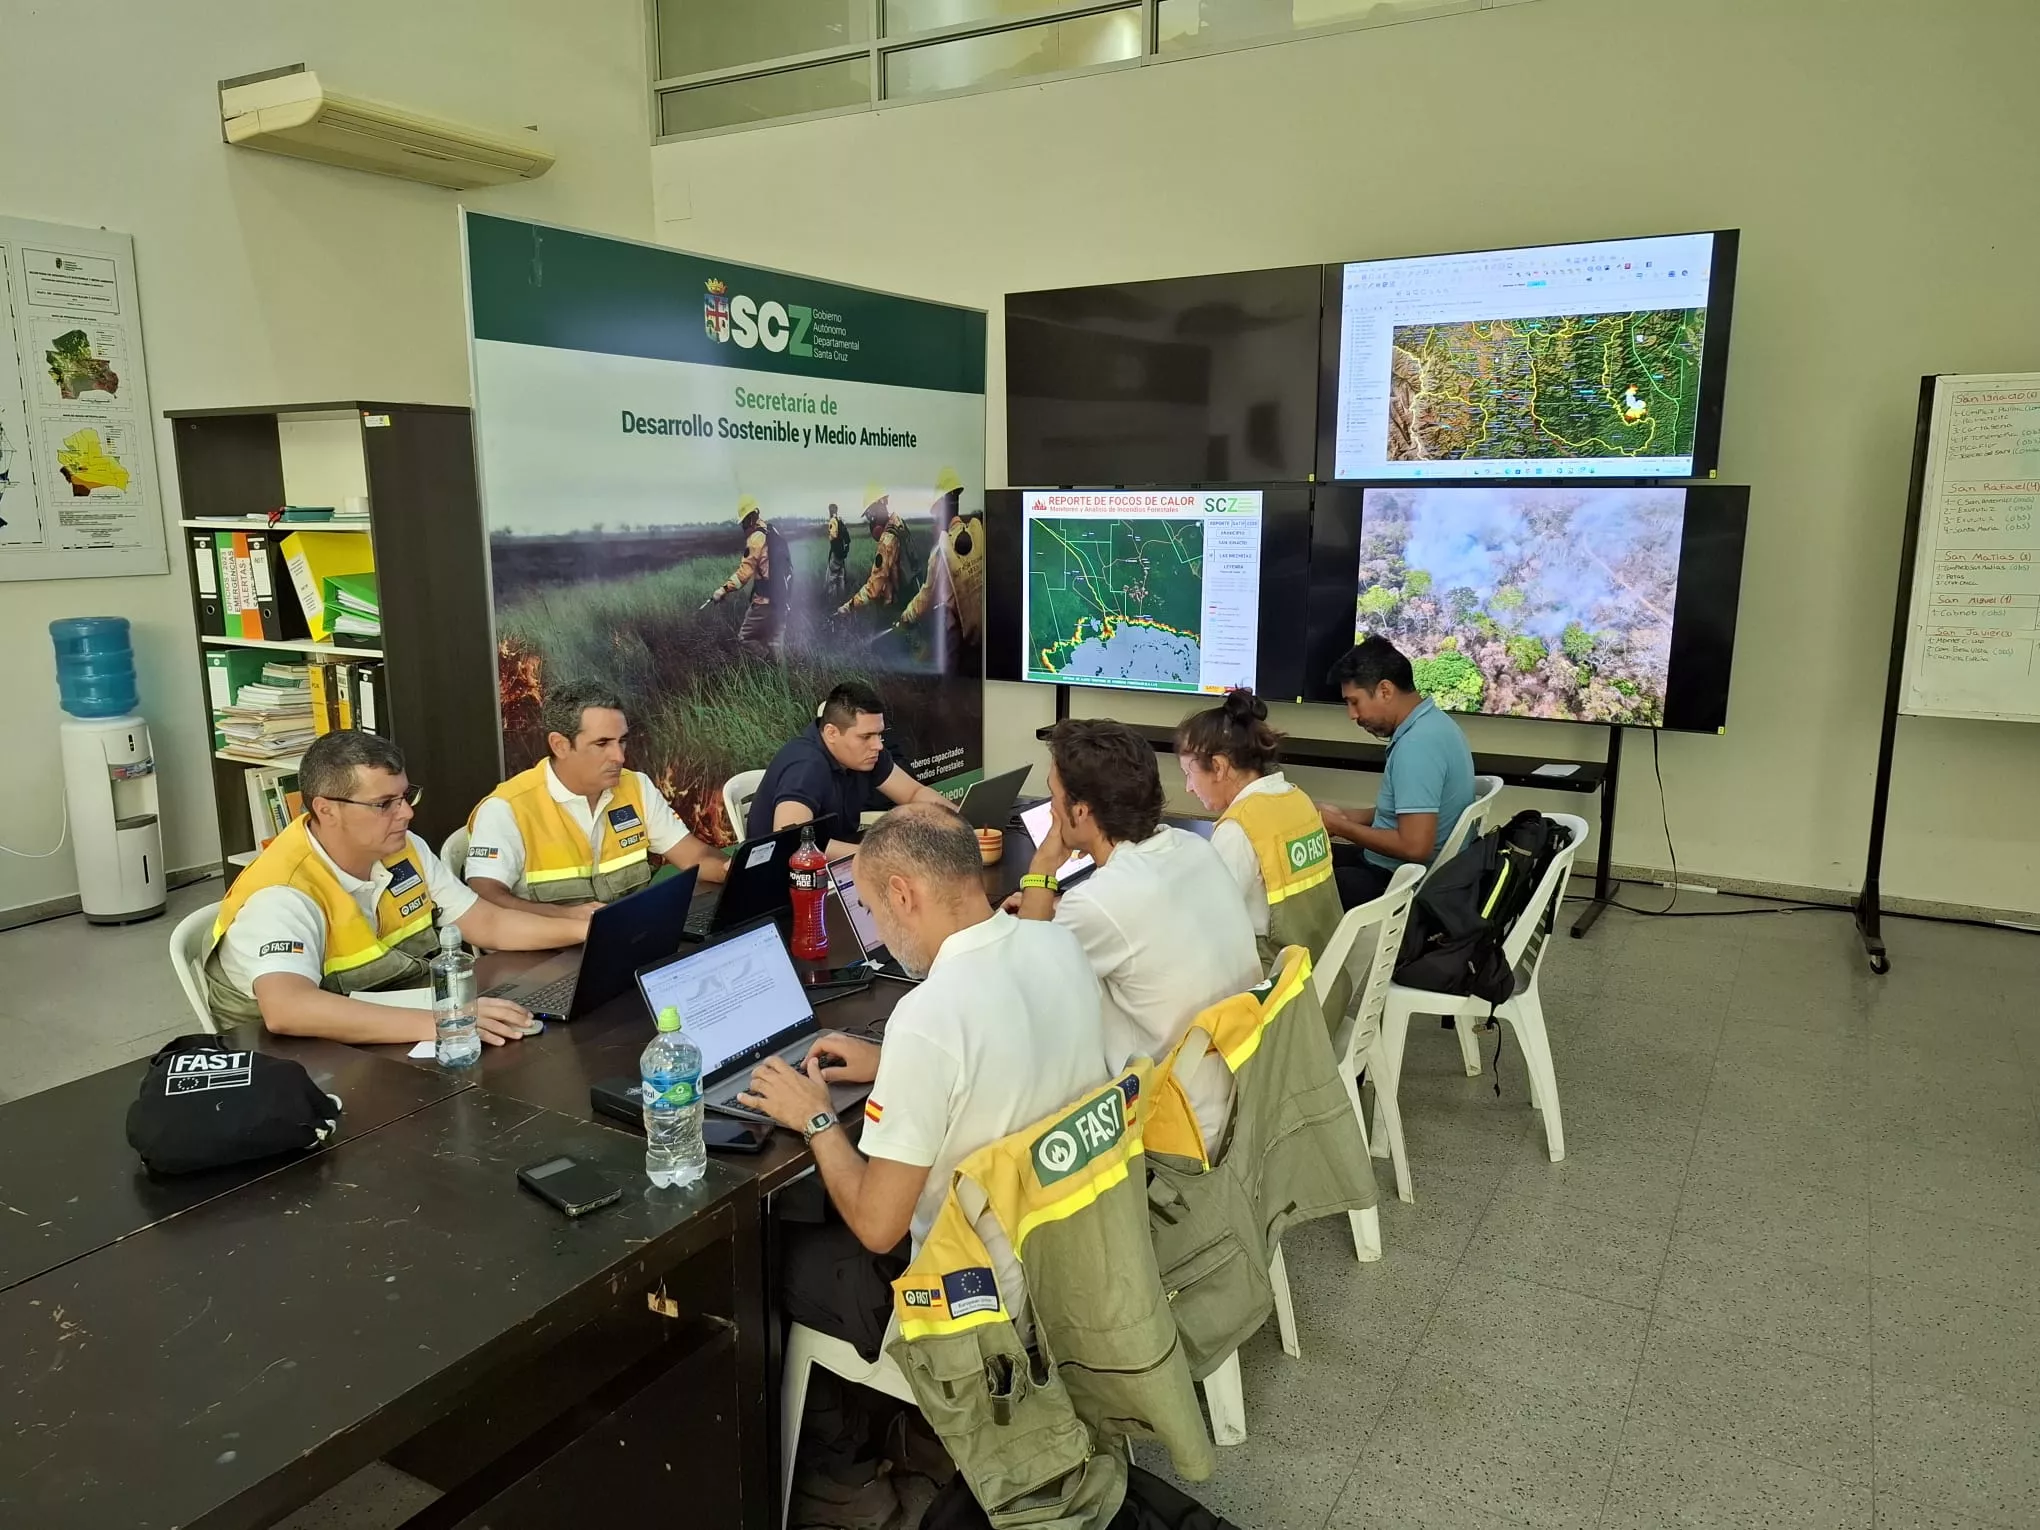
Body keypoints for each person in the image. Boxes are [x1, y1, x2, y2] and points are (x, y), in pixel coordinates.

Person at [738, 804, 1112, 1357]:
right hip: (1068, 1257)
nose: (880, 932)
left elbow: (877, 1228)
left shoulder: (927, 1016)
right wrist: (893, 1060)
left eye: (870, 908)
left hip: (972, 1300)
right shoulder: (1056, 943)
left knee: (761, 1266)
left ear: (902, 895)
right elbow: (1004, 1047)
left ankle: (859, 1430)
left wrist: (815, 1118)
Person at [204, 730, 587, 1043]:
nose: (406, 813)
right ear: (326, 809)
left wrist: (585, 928)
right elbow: (288, 1010)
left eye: (405, 796)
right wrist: (448, 1022)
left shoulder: (402, 847)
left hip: (382, 1021)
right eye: (384, 803)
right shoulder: (282, 894)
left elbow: (486, 923)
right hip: (289, 1057)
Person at [1015, 718, 1259, 1150]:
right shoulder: (1192, 848)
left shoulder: (1098, 902)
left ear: (1081, 811)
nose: (1051, 810)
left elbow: (1023, 983)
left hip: (1172, 1114)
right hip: (1238, 1087)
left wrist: (1041, 870)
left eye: (1054, 798)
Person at [465, 679, 727, 919]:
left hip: (630, 937)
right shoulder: (507, 808)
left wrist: (731, 869)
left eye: (622, 741)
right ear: (560, 745)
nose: (619, 757)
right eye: (602, 744)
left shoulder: (636, 786)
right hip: (545, 956)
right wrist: (568, 918)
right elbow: (485, 899)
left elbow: (694, 856)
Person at [1175, 688, 1341, 972]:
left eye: (1190, 774)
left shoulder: (1241, 828)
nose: (1189, 787)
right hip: (1323, 969)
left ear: (1218, 767)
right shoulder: (1297, 799)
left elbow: (1203, 921)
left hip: (1276, 987)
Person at [1319, 636, 1477, 908]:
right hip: (1418, 873)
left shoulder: (1417, 745)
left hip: (1401, 883)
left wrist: (1339, 826)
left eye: (1354, 702)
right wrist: (1346, 816)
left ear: (1385, 690)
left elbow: (1415, 846)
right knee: (1310, 860)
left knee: (1299, 882)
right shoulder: (1435, 724)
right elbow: (1406, 813)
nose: (1352, 715)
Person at [745, 681, 956, 857]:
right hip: (784, 882)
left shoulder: (867, 754)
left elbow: (913, 793)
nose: (878, 745)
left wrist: (959, 822)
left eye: (879, 734)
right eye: (866, 736)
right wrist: (874, 856)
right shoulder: (805, 766)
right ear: (831, 733)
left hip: (833, 862)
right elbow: (793, 844)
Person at [893, 468, 984, 676]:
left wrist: (905, 619)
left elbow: (925, 597)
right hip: (983, 633)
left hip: (957, 638)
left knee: (951, 682)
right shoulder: (977, 533)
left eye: (936, 515)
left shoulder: (941, 551)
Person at [708, 494, 791, 648]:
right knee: (774, 644)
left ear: (751, 517)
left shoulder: (755, 539)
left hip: (764, 603)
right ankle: (775, 669)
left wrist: (723, 590)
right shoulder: (772, 530)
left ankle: (764, 661)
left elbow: (743, 575)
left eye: (744, 521)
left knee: (744, 639)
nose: (743, 526)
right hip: (782, 600)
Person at [836, 485, 917, 619]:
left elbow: (874, 587)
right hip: (911, 595)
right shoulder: (898, 523)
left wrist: (849, 606)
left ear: (876, 509)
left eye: (869, 515)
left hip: (897, 607)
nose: (870, 520)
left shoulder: (887, 540)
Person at [823, 501, 851, 602]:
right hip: (842, 554)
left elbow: (833, 536)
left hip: (836, 554)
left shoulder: (832, 521)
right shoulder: (840, 521)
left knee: (832, 579)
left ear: (830, 510)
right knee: (841, 577)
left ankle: (833, 602)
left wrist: (830, 536)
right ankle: (842, 600)